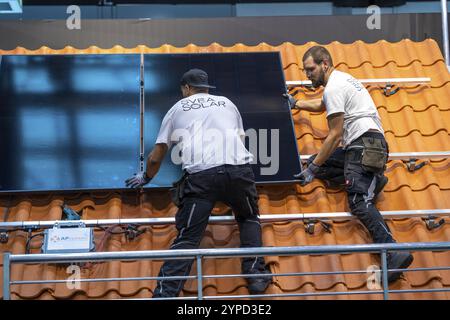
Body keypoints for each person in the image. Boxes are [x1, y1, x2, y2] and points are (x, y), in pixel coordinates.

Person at [125, 68, 272, 298]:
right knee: (248, 217)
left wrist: (145, 177)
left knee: (188, 238)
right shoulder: (227, 103)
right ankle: (256, 278)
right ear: (206, 88)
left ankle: (164, 294)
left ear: (186, 88)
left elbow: (157, 154)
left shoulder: (177, 109)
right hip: (239, 173)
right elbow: (239, 139)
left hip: (202, 178)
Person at [284, 46, 413, 283]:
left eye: (310, 69)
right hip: (368, 145)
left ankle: (394, 252)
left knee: (357, 200)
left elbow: (334, 136)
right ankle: (372, 179)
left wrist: (310, 172)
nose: (307, 75)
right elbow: (322, 105)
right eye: (305, 71)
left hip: (363, 146)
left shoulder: (334, 86)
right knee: (319, 163)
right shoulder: (343, 80)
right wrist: (296, 103)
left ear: (324, 64)